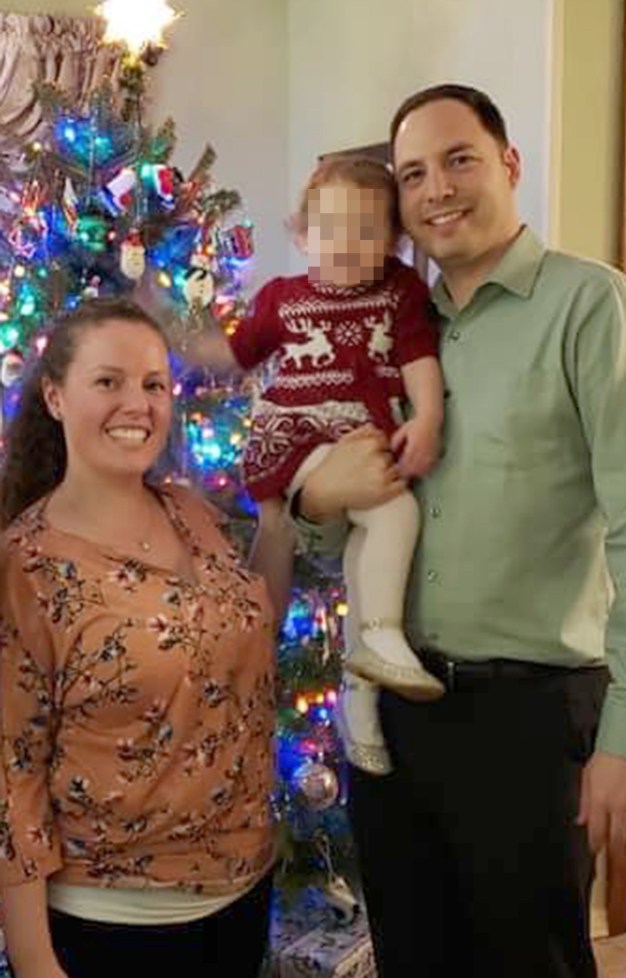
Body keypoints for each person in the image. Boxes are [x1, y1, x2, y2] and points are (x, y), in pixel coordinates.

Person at [292, 84, 626, 978]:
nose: (436, 189)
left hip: (529, 723)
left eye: (458, 158)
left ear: (507, 164)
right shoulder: (385, 327)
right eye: (412, 173)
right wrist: (314, 501)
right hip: (398, 717)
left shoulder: (594, 309)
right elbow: (335, 505)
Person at [0, 299, 285, 978]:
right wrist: (33, 963)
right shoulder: (25, 568)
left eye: (155, 384)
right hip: (113, 921)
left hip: (241, 891)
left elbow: (251, 624)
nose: (139, 403)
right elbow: (11, 776)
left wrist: (283, 519)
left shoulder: (190, 510)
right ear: (55, 395)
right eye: (110, 381)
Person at [187, 156, 445, 775]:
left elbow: (417, 358)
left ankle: (361, 693)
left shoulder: (401, 291)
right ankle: (378, 633)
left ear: (394, 241)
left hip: (358, 435)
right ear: (302, 235)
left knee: (368, 545)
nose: (346, 244)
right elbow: (234, 355)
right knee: (395, 510)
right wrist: (177, 333)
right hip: (296, 436)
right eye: (329, 229)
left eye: (366, 230)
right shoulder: (281, 298)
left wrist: (429, 417)